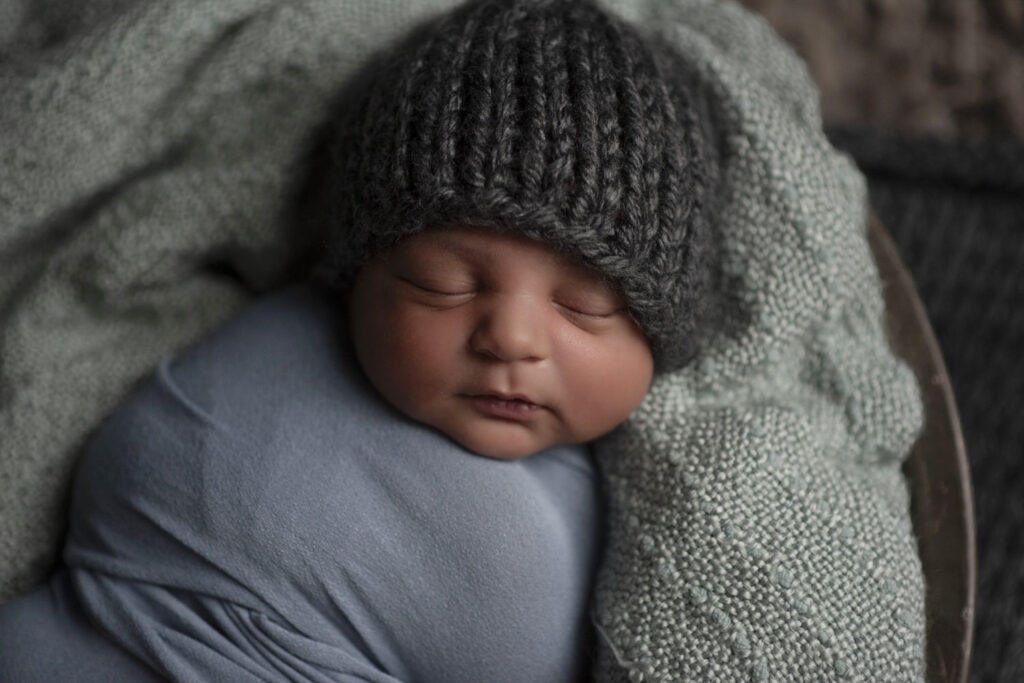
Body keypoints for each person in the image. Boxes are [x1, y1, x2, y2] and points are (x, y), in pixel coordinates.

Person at [0, 0, 717, 680]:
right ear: (355, 279)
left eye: (585, 304)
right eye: (445, 282)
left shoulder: (644, 531)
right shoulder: (274, 331)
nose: (511, 336)